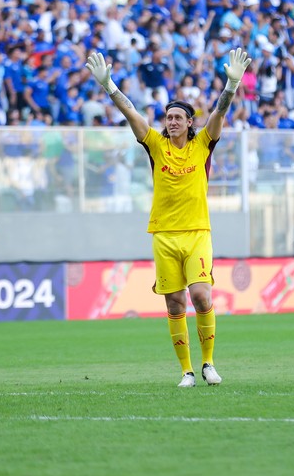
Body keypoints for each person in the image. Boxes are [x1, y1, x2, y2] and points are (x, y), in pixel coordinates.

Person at [84, 48, 252, 387]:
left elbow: (219, 114)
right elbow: (131, 113)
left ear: (190, 122)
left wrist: (231, 86)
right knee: (175, 304)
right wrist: (109, 87)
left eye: (178, 117)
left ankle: (208, 364)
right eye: (168, 117)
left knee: (201, 295)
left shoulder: (203, 143)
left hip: (197, 233)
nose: (171, 121)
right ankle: (186, 371)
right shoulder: (155, 145)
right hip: (164, 235)